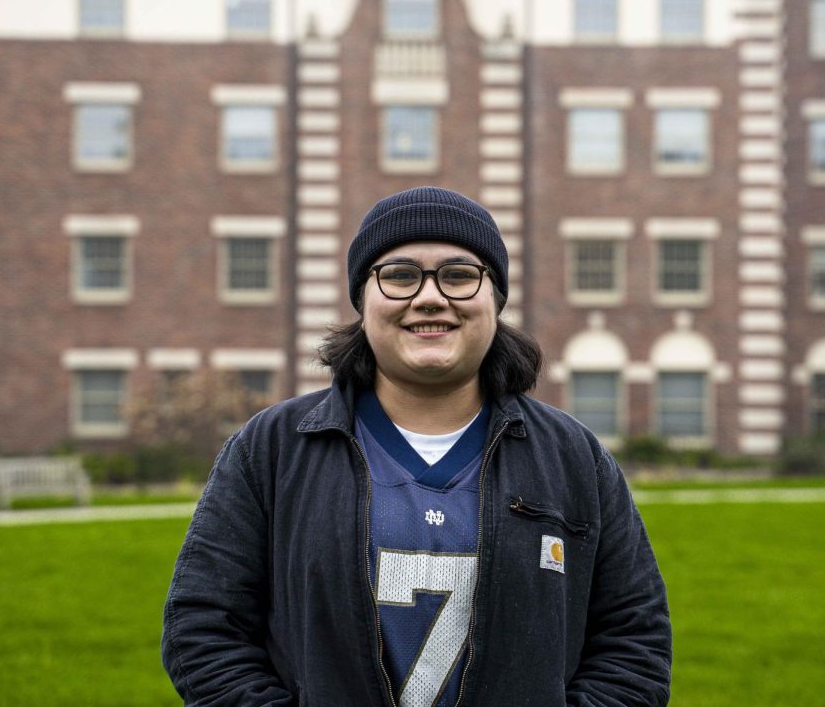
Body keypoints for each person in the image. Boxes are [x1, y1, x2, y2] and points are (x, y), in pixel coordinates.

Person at [162, 186, 672, 707]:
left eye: (458, 275)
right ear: (363, 299)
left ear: (495, 299)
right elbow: (203, 628)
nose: (430, 297)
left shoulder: (572, 458)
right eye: (400, 275)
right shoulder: (272, 450)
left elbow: (635, 643)